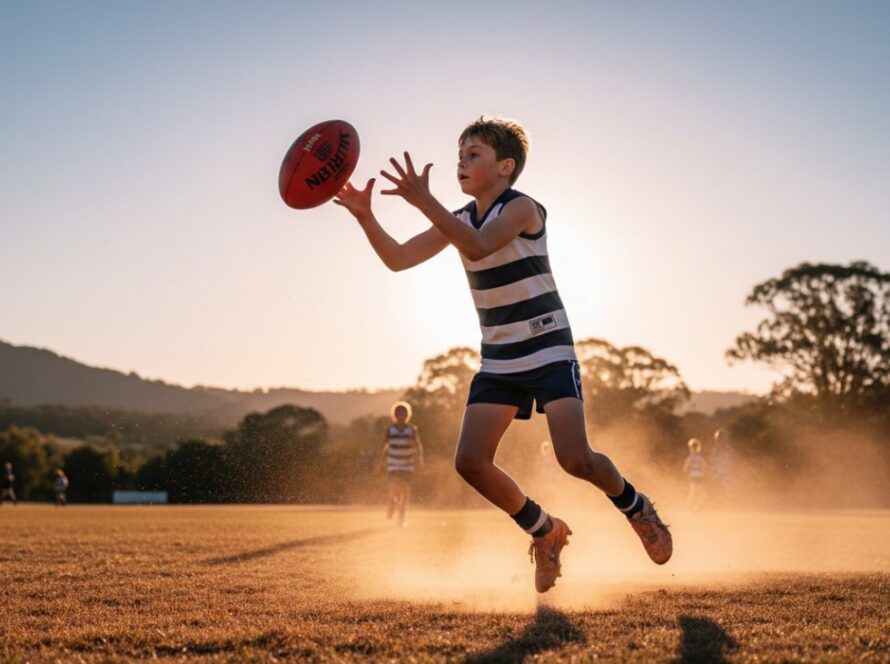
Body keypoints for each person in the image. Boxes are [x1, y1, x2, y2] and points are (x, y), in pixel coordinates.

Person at [335, 116, 672, 593]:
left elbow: (476, 248)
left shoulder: (522, 209)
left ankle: (636, 507)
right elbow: (398, 259)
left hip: (548, 345)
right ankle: (544, 529)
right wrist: (366, 216)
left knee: (575, 458)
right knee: (470, 462)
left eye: (474, 155)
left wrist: (425, 201)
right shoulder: (459, 218)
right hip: (499, 357)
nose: (461, 163)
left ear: (505, 166)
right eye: (460, 155)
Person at [375, 401, 424, 527]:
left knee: (406, 492)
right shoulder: (390, 430)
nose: (401, 415)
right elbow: (383, 446)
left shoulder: (412, 429)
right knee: (395, 488)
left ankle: (401, 517)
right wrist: (379, 462)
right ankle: (391, 504)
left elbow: (418, 446)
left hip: (408, 465)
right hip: (393, 464)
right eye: (399, 413)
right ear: (395, 415)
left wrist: (420, 459)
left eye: (403, 413)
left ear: (407, 415)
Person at [682, 438, 706, 510]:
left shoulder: (691, 457)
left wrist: (685, 473)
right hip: (699, 476)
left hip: (694, 476)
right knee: (697, 491)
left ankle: (690, 506)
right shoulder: (700, 457)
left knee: (693, 491)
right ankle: (695, 506)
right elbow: (704, 466)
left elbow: (685, 467)